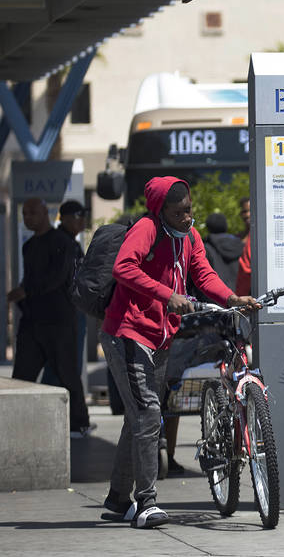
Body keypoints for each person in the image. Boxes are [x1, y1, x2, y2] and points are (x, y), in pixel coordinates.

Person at [100, 177, 259, 528]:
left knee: (138, 416)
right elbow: (123, 267)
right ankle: (146, 503)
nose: (188, 217)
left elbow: (203, 274)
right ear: (161, 211)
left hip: (160, 336)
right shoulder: (146, 228)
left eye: (190, 209)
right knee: (148, 413)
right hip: (127, 333)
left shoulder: (190, 237)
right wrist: (165, 295)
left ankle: (116, 499)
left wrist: (231, 299)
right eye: (180, 212)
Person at [7, 197, 93, 437]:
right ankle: (16, 424)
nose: (27, 218)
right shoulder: (29, 246)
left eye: (32, 213)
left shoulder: (63, 243)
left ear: (45, 213)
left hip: (60, 321)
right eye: (24, 214)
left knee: (67, 372)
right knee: (22, 377)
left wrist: (25, 291)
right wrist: (23, 296)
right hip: (33, 322)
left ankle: (79, 423)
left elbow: (57, 278)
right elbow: (30, 279)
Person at [41, 200, 89, 390]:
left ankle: (68, 415)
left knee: (66, 365)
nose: (83, 221)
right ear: (67, 219)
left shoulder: (70, 242)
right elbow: (60, 279)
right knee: (62, 366)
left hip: (71, 311)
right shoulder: (61, 242)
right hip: (65, 312)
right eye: (80, 217)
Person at [202, 212, 242, 287]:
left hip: (216, 295)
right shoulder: (240, 245)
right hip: (240, 294)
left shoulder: (206, 248)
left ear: (208, 227)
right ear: (225, 226)